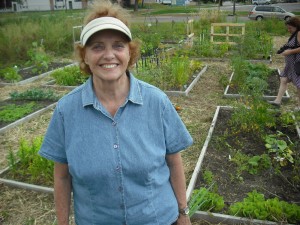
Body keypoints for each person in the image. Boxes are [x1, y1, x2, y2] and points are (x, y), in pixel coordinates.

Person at [38, 0, 193, 224]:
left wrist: (183, 213)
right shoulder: (66, 111)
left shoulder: (156, 101)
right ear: (85, 56)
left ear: (130, 53)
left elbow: (173, 162)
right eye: (97, 46)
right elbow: (62, 176)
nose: (108, 55)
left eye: (118, 45)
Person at [269, 17, 300, 111]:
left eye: (290, 28)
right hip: (290, 65)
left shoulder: (299, 33)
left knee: (299, 86)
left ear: (296, 26)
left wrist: (289, 52)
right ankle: (277, 101)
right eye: (288, 28)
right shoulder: (295, 34)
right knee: (283, 80)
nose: (288, 30)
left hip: (297, 65)